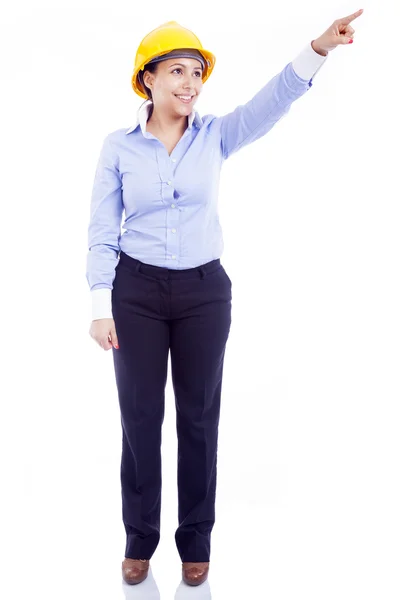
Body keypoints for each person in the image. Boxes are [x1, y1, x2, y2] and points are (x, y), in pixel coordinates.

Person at [86, 11, 363, 587]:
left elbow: (270, 103)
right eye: (178, 72)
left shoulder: (216, 135)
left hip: (203, 294)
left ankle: (196, 543)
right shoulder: (118, 147)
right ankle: (139, 539)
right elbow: (101, 231)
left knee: (200, 420)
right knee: (139, 419)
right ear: (148, 80)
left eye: (197, 74)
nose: (190, 84)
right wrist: (100, 304)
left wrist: (317, 48)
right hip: (134, 292)